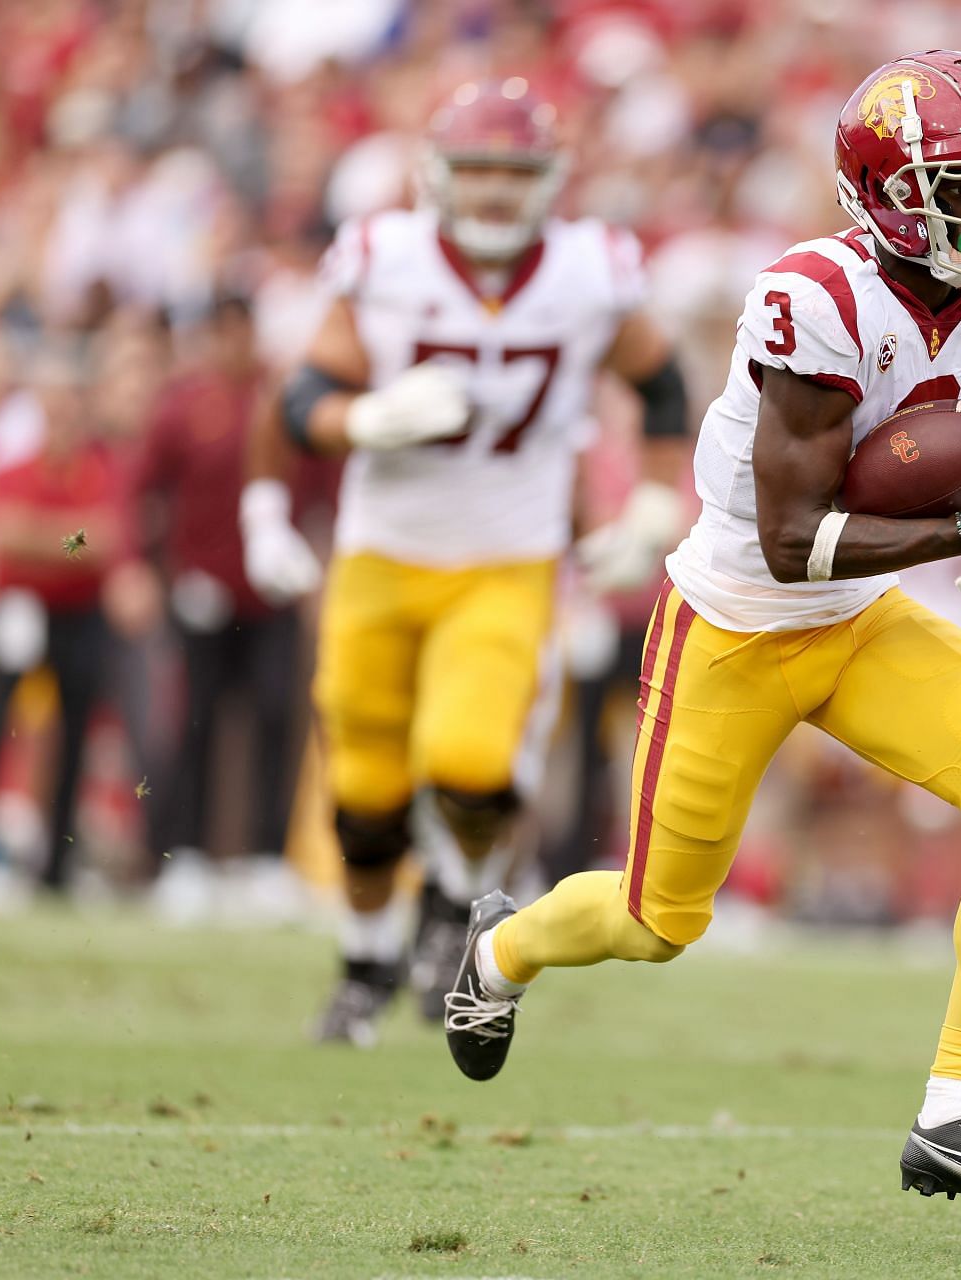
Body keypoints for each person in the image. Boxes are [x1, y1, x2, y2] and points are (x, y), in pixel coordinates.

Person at [438, 50, 961, 1215]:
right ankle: (501, 951)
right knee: (655, 918)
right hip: (737, 620)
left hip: (854, 619)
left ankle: (954, 1112)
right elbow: (794, 539)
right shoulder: (815, 300)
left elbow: (907, 461)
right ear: (892, 194)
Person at [241, 78, 690, 1045]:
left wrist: (650, 509)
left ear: (549, 181)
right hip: (381, 555)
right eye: (476, 169)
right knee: (363, 788)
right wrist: (355, 421)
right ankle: (363, 961)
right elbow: (298, 399)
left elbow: (659, 387)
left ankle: (449, 900)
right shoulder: (385, 257)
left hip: (509, 557)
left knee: (475, 762)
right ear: (437, 176)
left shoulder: (588, 270)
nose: (492, 192)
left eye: (513, 171)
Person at [133, 295, 304, 920]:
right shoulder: (184, 408)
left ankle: (266, 859)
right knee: (196, 722)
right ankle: (185, 857)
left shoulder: (282, 400)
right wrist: (145, 571)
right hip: (203, 595)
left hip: (272, 594)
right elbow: (142, 491)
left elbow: (323, 482)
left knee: (276, 717)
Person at [0, 346, 139, 891]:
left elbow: (100, 537)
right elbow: (1, 535)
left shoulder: (100, 471)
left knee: (73, 736)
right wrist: (65, 537)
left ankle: (55, 870)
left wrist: (39, 536)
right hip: (17, 610)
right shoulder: (13, 468)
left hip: (77, 615)